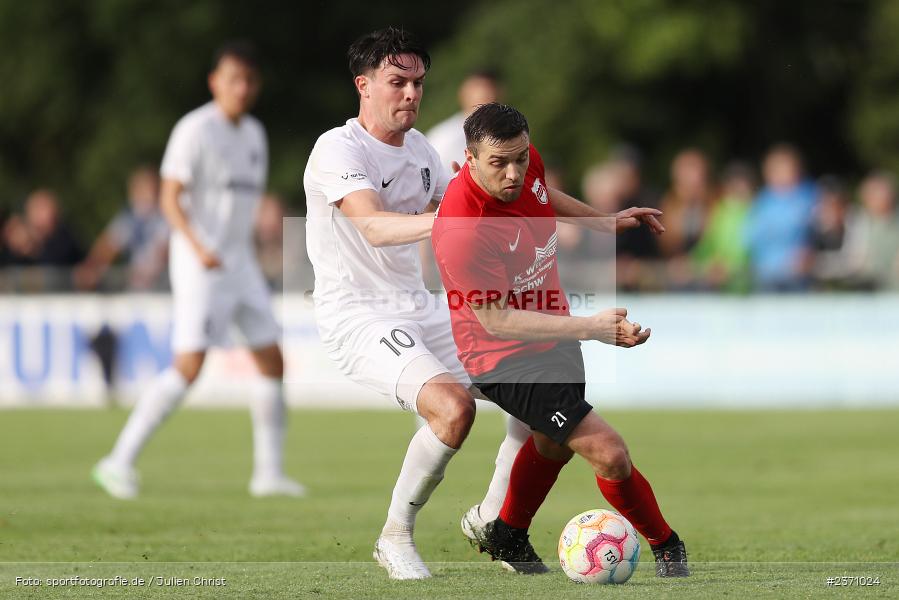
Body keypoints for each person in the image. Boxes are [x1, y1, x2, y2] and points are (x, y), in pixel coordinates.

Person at [431, 103, 689, 577]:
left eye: (521, 158)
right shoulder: (461, 229)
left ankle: (507, 531)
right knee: (609, 453)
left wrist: (603, 221)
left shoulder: (524, 164)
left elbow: (539, 192)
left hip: (554, 334)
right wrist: (593, 328)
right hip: (502, 356)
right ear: (468, 159)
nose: (514, 173)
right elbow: (496, 320)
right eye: (499, 163)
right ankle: (668, 545)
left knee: (552, 442)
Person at [303, 27, 479, 580]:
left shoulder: (423, 149)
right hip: (358, 316)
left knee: (538, 383)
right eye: (396, 81)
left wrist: (597, 220)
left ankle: (497, 518)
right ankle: (395, 537)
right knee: (453, 408)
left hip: (419, 308)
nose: (410, 94)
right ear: (364, 85)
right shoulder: (339, 147)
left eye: (418, 83)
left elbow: (477, 208)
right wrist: (450, 219)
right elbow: (375, 226)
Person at [92, 41, 304, 500]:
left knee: (272, 358)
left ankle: (268, 474)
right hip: (200, 263)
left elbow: (242, 205)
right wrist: (197, 247)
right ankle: (117, 461)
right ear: (215, 82)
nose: (242, 88)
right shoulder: (195, 129)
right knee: (189, 366)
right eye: (234, 79)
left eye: (249, 80)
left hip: (239, 263)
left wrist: (245, 252)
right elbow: (169, 197)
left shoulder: (254, 134)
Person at [74, 166, 169, 291]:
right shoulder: (130, 218)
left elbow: (164, 249)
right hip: (139, 288)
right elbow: (107, 247)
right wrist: (91, 270)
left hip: (165, 286)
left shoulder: (167, 216)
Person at [425, 69, 501, 171]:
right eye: (479, 90)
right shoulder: (444, 137)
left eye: (490, 90)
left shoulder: (511, 134)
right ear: (464, 93)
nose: (489, 96)